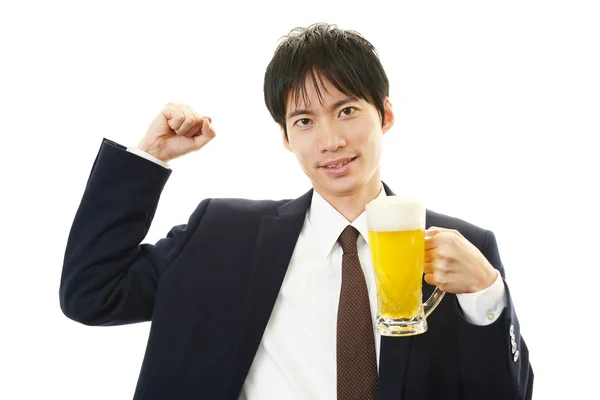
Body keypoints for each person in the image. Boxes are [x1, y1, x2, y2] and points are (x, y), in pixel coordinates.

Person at [59, 23, 533, 400]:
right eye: (304, 121)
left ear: (385, 115)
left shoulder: (462, 250)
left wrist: (486, 294)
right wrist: (149, 155)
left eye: (347, 111)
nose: (330, 141)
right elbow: (91, 294)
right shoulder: (222, 235)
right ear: (286, 137)